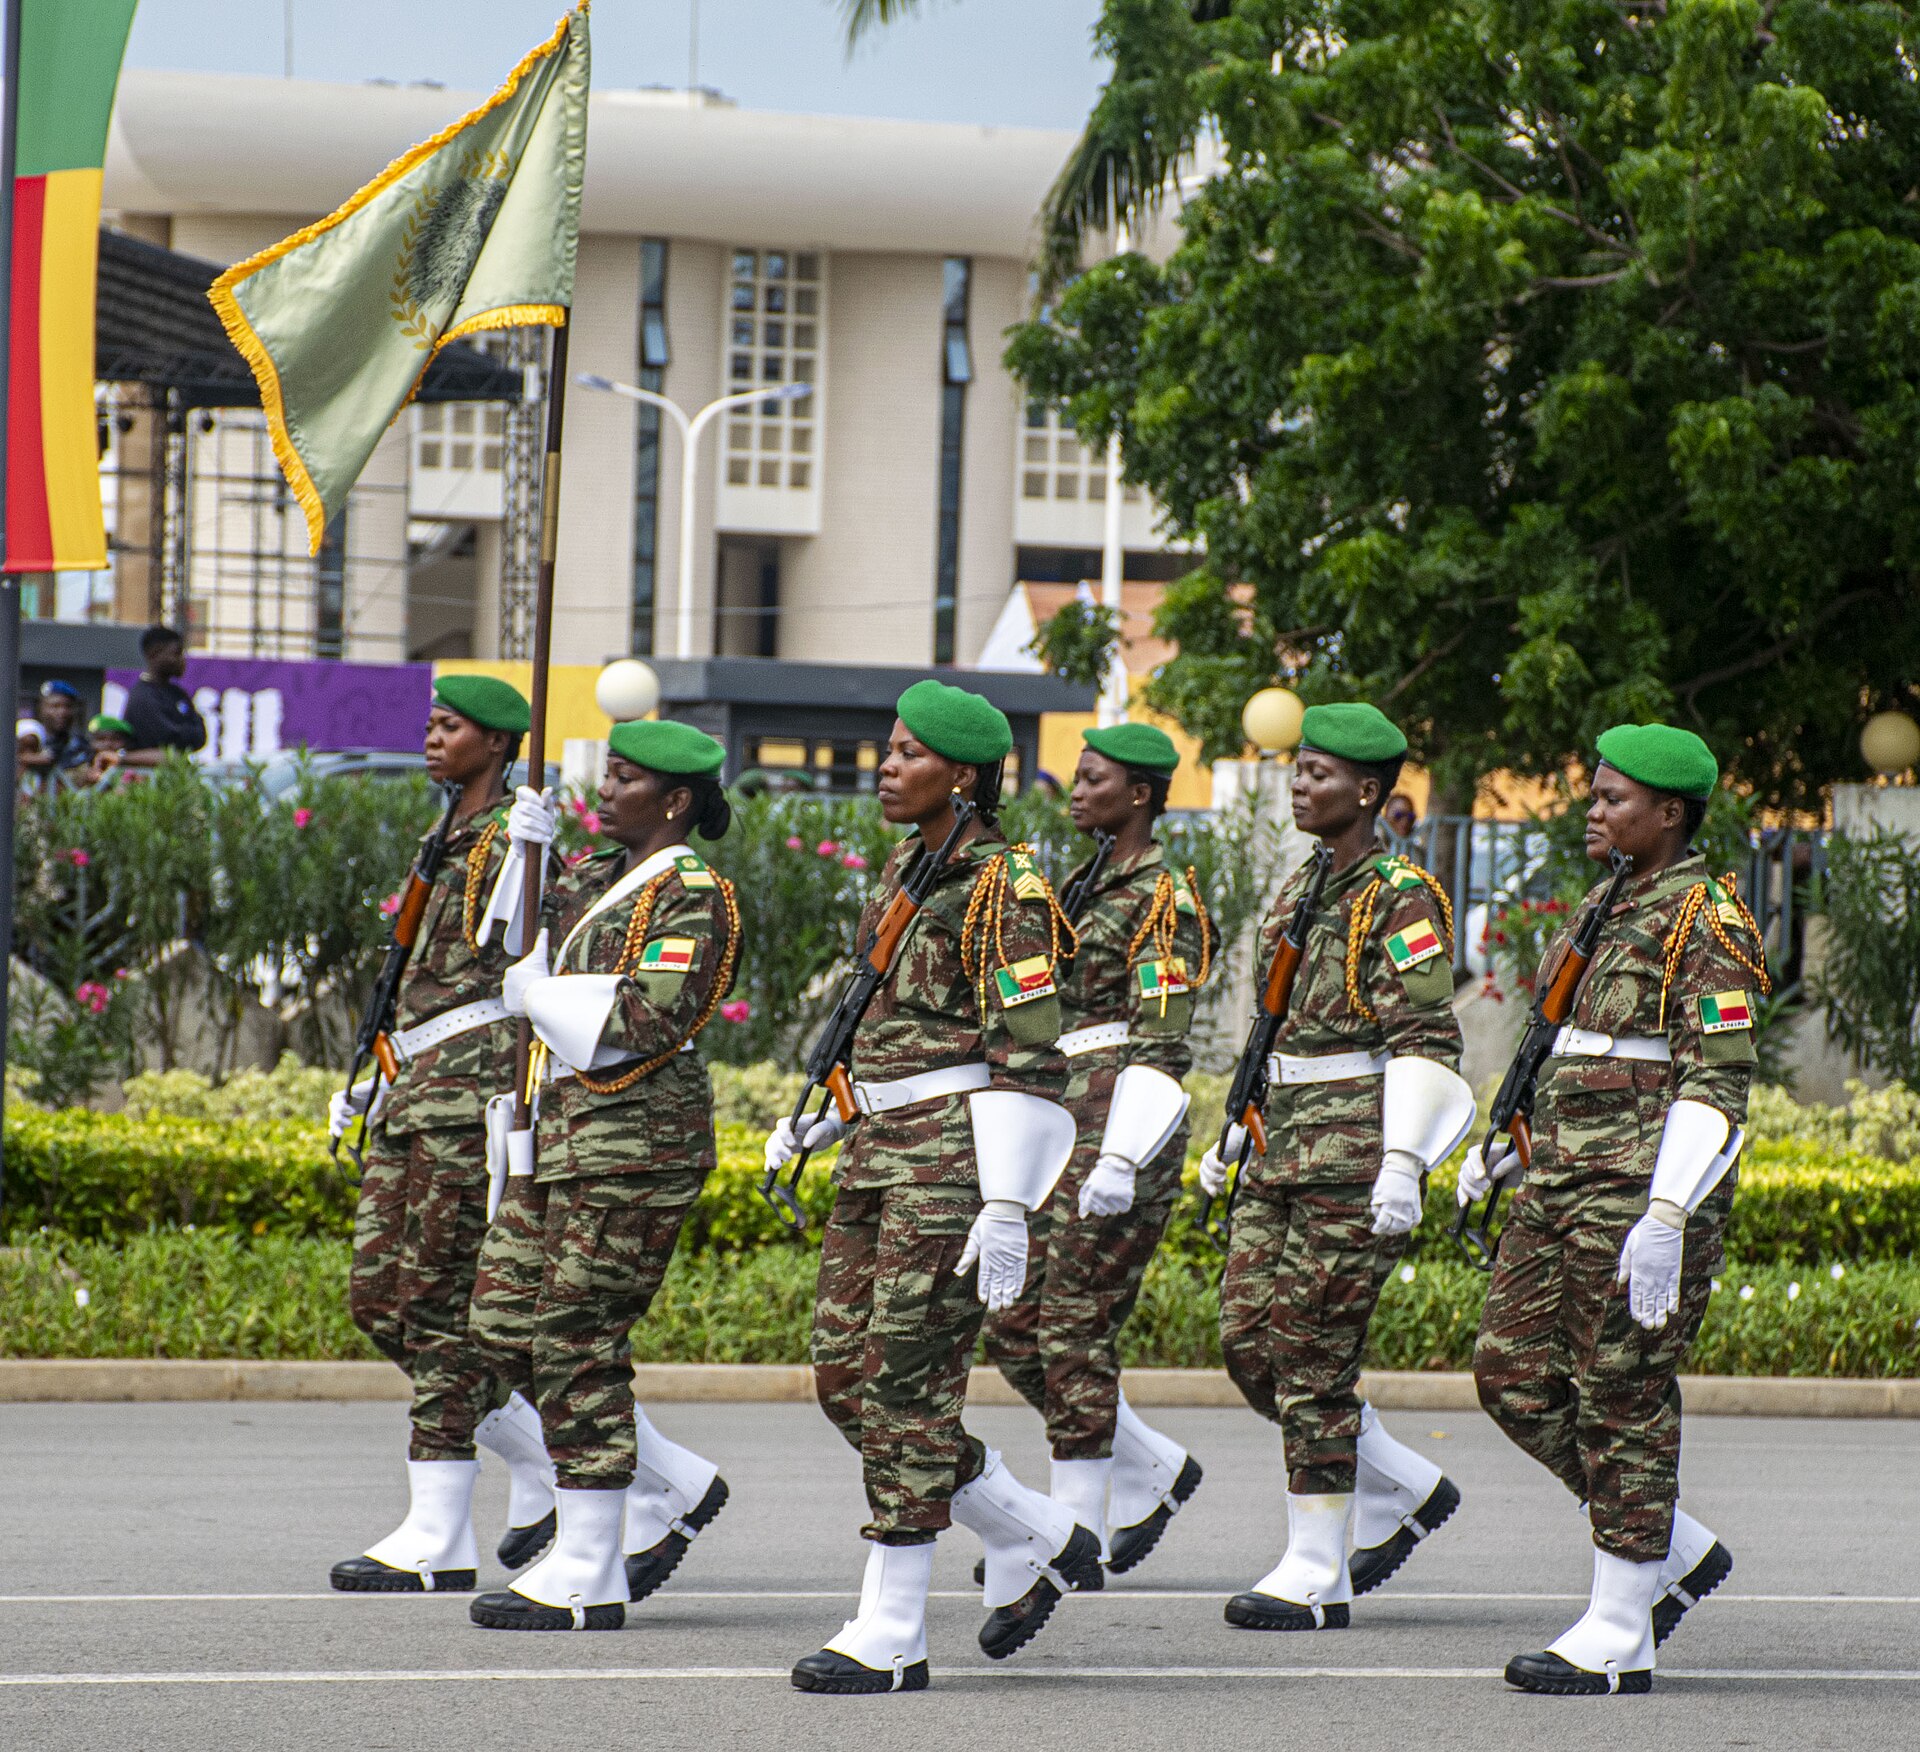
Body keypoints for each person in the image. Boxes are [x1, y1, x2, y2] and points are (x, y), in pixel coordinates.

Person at [765, 679, 1096, 1696]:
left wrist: (1007, 1199)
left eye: (909, 754)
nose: (887, 765)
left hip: (954, 1161)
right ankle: (1036, 1527)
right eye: (889, 749)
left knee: (907, 1383)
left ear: (963, 775)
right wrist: (827, 1111)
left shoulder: (1010, 893)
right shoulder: (911, 873)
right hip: (881, 1147)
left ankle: (893, 1626)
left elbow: (1032, 1054)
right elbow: (888, 1026)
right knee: (845, 1383)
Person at [1468, 724, 1765, 1696]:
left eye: (1614, 799)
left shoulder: (1707, 919)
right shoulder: (1604, 904)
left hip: (1638, 1190)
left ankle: (1619, 1625)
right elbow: (1570, 1053)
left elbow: (1718, 1080)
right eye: (1594, 796)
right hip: (1560, 1180)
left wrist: (1671, 1211)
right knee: (1509, 1374)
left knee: (1623, 1395)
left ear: (1670, 813)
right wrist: (1509, 1152)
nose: (1594, 811)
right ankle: (1667, 1539)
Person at [1200, 702, 1474, 1631]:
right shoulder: (1304, 884)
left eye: (1319, 773)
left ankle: (1318, 1567)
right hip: (1281, 1144)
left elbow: (1429, 1039)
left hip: (1353, 1153)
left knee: (1312, 1353)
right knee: (1248, 1344)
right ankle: (1401, 1482)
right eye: (1298, 769)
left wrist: (1403, 1161)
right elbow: (1275, 1024)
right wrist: (1239, 1122)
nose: (1299, 783)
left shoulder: (1403, 895)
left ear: (1367, 791)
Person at [465, 719, 741, 1632]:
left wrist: (541, 995)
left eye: (622, 779)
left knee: (575, 1338)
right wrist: (522, 851)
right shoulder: (593, 877)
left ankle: (589, 1563)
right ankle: (669, 1482)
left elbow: (642, 1018)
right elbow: (499, 942)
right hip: (563, 1138)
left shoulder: (692, 893)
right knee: (500, 1326)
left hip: (637, 1147)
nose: (604, 790)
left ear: (673, 801)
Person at [327, 676, 559, 1596]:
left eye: (450, 726)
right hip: (412, 1085)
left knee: (437, 1304)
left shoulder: (515, 832)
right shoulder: (445, 834)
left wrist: (544, 859)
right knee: (380, 1300)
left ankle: (438, 1530)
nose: (431, 737)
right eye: (430, 722)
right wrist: (373, 1077)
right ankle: (544, 1454)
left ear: (497, 746)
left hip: (466, 1097)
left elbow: (536, 949)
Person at [979, 722, 1213, 1578]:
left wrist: (1123, 1155)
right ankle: (1149, 1465)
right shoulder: (1081, 881)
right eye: (1076, 778)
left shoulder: (1164, 896)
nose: (1075, 790)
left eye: (1093, 779)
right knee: (1011, 1322)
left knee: (1074, 1325)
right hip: (1056, 1117)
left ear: (1141, 794)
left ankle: (1071, 1529)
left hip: (1120, 1116)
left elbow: (1163, 1038)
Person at [121, 625, 206, 759]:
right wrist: (187, 730)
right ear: (154, 653)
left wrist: (186, 732)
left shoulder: (177, 693)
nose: (182, 660)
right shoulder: (143, 696)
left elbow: (200, 736)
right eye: (176, 654)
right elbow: (167, 739)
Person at [17, 682, 92, 791]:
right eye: (55, 706)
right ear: (41, 708)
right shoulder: (29, 738)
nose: (62, 712)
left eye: (68, 706)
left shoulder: (82, 746)